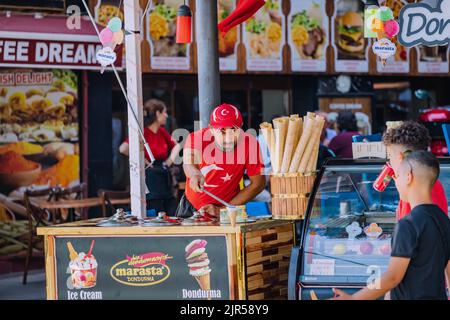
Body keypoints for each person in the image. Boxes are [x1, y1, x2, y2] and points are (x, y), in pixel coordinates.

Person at [334, 151, 450, 300]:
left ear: (408, 177)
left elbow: (393, 277)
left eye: (397, 176)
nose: (395, 181)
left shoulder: (408, 224)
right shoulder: (444, 220)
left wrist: (353, 298)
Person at [177, 103, 266, 217]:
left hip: (228, 209)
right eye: (222, 131)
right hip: (191, 207)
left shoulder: (250, 144)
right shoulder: (197, 137)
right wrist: (195, 174)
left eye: (233, 130)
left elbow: (258, 184)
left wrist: (223, 210)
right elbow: (188, 163)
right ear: (212, 129)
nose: (228, 138)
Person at [119, 99, 181, 214]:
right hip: (150, 176)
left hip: (163, 173)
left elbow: (177, 146)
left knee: (173, 209)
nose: (166, 115)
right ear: (158, 113)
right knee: (156, 207)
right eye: (164, 112)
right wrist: (143, 160)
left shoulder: (162, 131)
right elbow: (123, 148)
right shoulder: (143, 133)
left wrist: (169, 161)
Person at [382, 121, 448, 219]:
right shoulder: (432, 182)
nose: (389, 162)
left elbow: (406, 229)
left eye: (390, 156)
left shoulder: (410, 193)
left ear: (400, 157)